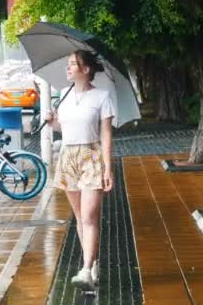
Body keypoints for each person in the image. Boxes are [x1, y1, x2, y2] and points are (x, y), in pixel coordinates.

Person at [46, 50, 115, 291]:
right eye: (67, 64)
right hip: (68, 157)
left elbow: (106, 134)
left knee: (89, 217)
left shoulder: (102, 97)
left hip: (91, 157)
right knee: (79, 217)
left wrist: (108, 168)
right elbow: (62, 130)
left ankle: (85, 270)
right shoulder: (63, 96)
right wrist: (52, 122)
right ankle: (91, 262)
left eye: (72, 64)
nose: (67, 68)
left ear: (85, 70)